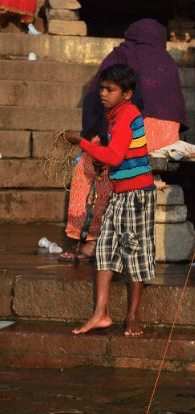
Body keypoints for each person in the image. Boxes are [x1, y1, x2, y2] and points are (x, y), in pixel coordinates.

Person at [63, 19, 188, 259]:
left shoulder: (122, 56)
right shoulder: (167, 62)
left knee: (88, 167)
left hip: (133, 133)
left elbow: (96, 102)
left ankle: (90, 239)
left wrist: (90, 136)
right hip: (166, 137)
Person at [62, 65, 155, 338]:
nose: (103, 94)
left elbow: (114, 155)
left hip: (137, 195)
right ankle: (101, 313)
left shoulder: (127, 115)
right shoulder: (113, 116)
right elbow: (118, 158)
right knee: (104, 250)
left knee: (135, 255)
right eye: (102, 88)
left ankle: (132, 317)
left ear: (126, 94)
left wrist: (80, 142)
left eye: (110, 90)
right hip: (119, 191)